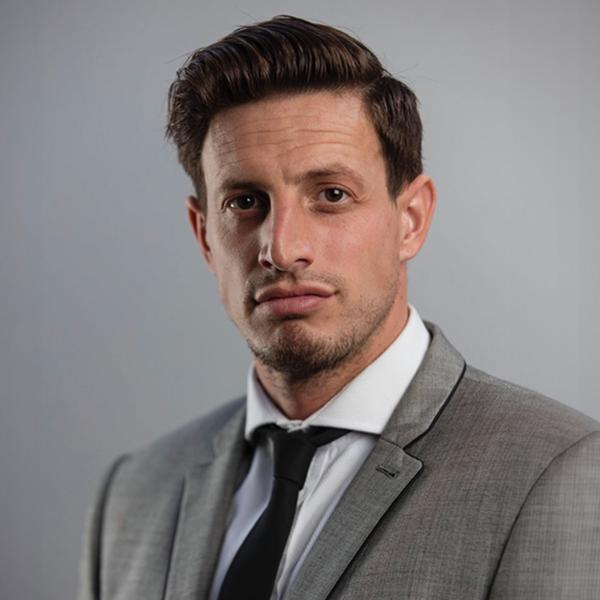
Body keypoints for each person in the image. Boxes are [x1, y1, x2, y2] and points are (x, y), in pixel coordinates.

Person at [78, 15, 600, 600]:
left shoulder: (559, 473)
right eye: (245, 202)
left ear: (410, 219)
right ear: (204, 236)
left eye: (332, 194)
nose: (282, 249)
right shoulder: (135, 494)